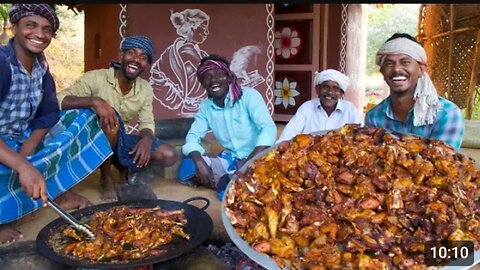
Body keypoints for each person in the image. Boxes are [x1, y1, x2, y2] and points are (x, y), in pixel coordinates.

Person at [0, 4, 113, 245]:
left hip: (20, 138)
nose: (39, 34)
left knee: (84, 119)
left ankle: (59, 191)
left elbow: (48, 115)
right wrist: (22, 165)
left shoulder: (42, 70)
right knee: (16, 169)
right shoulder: (2, 64)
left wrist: (27, 151)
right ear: (14, 27)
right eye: (31, 25)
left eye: (47, 29)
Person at [57, 36, 178, 201]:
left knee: (169, 154)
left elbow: (147, 121)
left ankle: (128, 172)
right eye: (131, 53)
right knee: (110, 120)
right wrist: (95, 101)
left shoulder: (145, 88)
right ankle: (106, 178)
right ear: (122, 55)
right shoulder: (97, 78)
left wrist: (147, 140)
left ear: (147, 64)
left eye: (143, 58)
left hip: (121, 141)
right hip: (94, 141)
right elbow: (59, 99)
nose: (136, 60)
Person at [178, 54, 277, 199]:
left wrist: (249, 161)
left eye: (219, 74)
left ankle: (224, 182)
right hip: (231, 159)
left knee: (235, 192)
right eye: (207, 76)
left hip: (258, 157)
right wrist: (199, 162)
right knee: (188, 167)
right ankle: (227, 180)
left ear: (228, 77)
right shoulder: (206, 107)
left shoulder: (249, 96)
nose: (214, 80)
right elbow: (193, 136)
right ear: (202, 83)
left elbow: (268, 128)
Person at [365, 33, 465, 150]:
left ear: (421, 69)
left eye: (405, 62)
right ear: (382, 71)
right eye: (389, 63)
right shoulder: (374, 117)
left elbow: (444, 163)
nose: (397, 69)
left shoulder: (447, 114)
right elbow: (370, 161)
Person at [149, 9, 210, 117]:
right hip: (188, 114)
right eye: (204, 28)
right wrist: (177, 102)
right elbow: (156, 78)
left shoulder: (202, 54)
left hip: (203, 110)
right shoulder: (178, 53)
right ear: (192, 27)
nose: (207, 32)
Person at [276, 69, 363, 143]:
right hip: (308, 157)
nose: (330, 92)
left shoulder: (350, 110)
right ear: (317, 89)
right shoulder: (306, 108)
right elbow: (286, 136)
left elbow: (360, 137)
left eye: (335, 88)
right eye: (326, 87)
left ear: (341, 93)